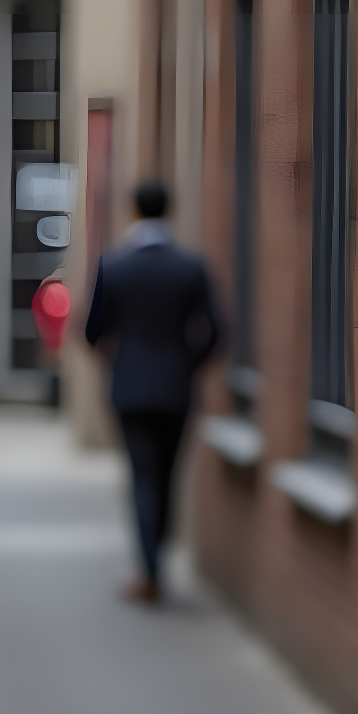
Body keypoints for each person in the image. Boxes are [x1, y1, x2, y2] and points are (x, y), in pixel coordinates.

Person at [83, 180, 221, 603]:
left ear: (135, 211)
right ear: (169, 211)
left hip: (130, 388)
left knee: (143, 476)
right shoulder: (191, 267)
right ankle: (155, 559)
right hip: (176, 388)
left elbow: (93, 331)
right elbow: (216, 330)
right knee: (166, 475)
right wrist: (188, 364)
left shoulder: (116, 266)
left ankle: (149, 570)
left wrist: (119, 360)